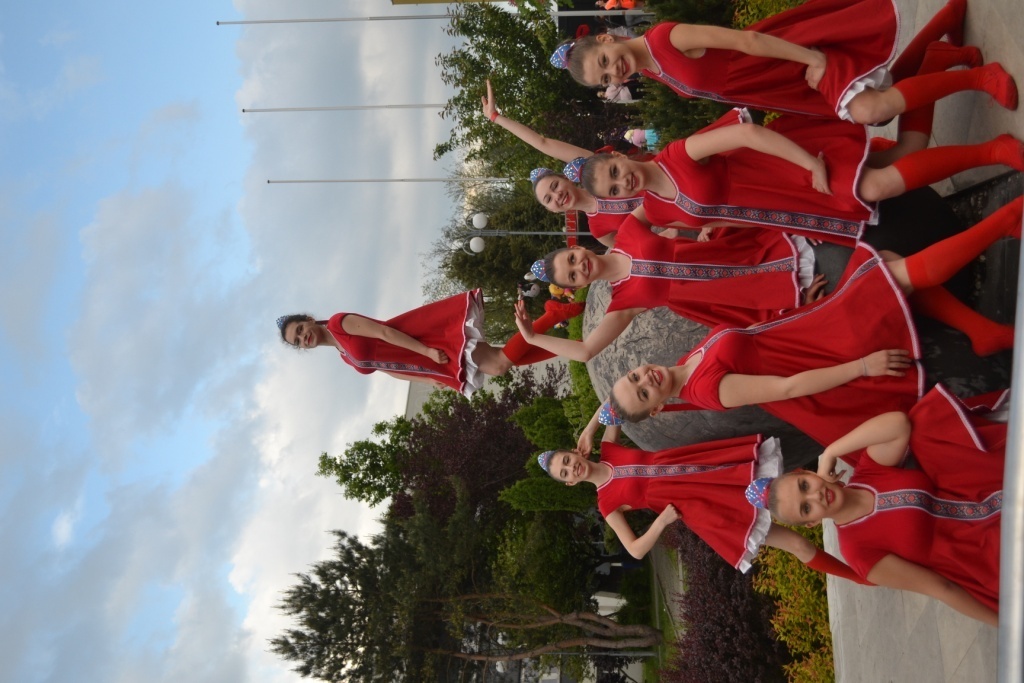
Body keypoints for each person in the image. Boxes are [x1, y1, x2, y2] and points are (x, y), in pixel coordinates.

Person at [595, 197, 1021, 448]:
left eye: (634, 376)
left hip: (810, 329)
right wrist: (862, 366)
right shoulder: (706, 390)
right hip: (828, 350)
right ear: (657, 408)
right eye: (644, 392)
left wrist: (801, 310)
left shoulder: (686, 364)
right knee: (891, 274)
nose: (645, 378)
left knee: (886, 268)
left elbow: (755, 340)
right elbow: (787, 388)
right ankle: (1003, 223)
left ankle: (981, 331)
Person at [756, 384, 1006, 625]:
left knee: (923, 422)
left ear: (809, 473)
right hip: (988, 561)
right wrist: (1005, 625)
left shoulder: (869, 473)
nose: (815, 496)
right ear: (811, 523)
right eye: (806, 508)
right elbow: (942, 588)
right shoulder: (859, 552)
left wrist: (831, 451)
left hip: (992, 499)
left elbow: (898, 424)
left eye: (804, 486)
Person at [575, 116, 1024, 246]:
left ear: (618, 155)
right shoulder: (655, 209)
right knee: (902, 154)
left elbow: (748, 135)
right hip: (787, 211)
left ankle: (993, 150)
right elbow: (723, 218)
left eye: (614, 172)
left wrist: (810, 162)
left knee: (877, 185)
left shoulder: (678, 153)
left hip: (788, 171)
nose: (622, 183)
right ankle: (936, 61)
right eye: (615, 190)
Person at [551, 0, 1017, 125]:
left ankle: (981, 76)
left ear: (607, 38)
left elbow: (750, 40)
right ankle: (943, 33)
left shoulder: (667, 39)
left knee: (871, 108)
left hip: (795, 56)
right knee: (881, 100)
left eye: (605, 61)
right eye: (605, 78)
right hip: (787, 84)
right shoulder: (651, 69)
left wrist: (813, 56)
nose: (614, 72)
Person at [539, 423, 872, 584]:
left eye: (567, 460)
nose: (572, 467)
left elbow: (614, 400)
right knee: (797, 544)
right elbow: (636, 550)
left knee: (793, 485)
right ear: (570, 483)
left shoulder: (609, 448)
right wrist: (661, 523)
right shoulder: (606, 504)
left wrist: (589, 430)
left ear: (574, 452)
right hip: (704, 505)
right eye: (565, 473)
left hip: (710, 467)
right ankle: (862, 578)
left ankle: (858, 497)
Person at [513, 215, 823, 363]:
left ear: (577, 248)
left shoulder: (629, 230)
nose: (580, 267)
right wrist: (532, 337)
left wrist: (702, 223)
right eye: (573, 276)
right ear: (578, 286)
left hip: (735, 252)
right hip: (733, 298)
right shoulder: (623, 304)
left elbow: (668, 201)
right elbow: (585, 351)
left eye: (572, 259)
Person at [278, 291, 582, 397]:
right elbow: (388, 369)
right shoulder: (344, 357)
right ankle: (573, 344)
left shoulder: (338, 323)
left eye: (301, 329)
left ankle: (552, 316)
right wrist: (428, 379)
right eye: (298, 341)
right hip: (426, 363)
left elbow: (384, 333)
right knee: (500, 361)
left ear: (309, 319)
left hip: (426, 343)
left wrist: (425, 351)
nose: (304, 337)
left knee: (500, 365)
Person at [481, 79, 651, 247]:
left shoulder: (596, 171)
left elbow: (543, 143)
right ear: (552, 210)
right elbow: (633, 253)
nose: (557, 195)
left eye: (555, 186)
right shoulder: (599, 230)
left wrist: (496, 117)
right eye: (549, 199)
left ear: (566, 178)